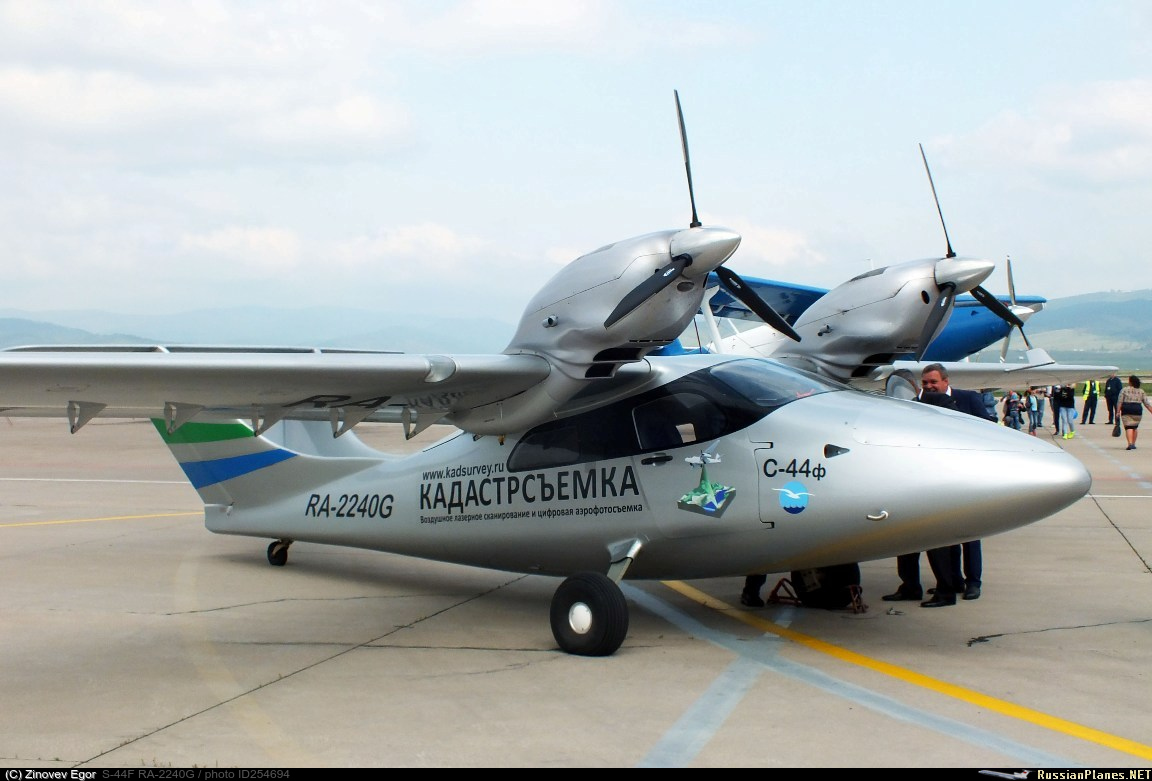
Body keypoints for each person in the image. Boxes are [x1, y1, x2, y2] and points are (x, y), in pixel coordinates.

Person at [881, 364, 994, 607]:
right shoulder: (914, 405)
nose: (930, 387)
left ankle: (971, 581)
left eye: (934, 382)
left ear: (945, 381)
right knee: (916, 537)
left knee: (968, 534)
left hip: (962, 478)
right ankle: (927, 584)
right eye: (926, 383)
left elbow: (988, 430)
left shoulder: (966, 400)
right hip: (922, 480)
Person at [1118, 375, 1152, 451]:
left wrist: (1117, 411)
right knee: (1134, 427)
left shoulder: (1124, 390)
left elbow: (1120, 401)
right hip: (1137, 409)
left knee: (1128, 427)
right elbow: (1147, 403)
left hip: (1127, 409)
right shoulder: (1141, 391)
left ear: (1130, 382)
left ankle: (1130, 444)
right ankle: (1133, 443)